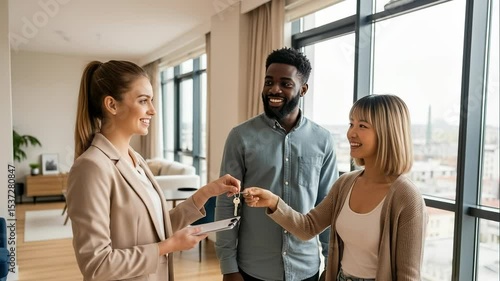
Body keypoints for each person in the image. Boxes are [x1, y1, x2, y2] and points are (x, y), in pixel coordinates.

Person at [66, 60, 240, 281]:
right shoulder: (91, 167)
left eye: (152, 100)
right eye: (143, 100)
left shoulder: (135, 159)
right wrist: (167, 246)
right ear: (112, 105)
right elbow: (97, 265)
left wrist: (205, 193)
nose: (153, 110)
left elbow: (156, 226)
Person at [244, 94, 428, 281]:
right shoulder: (345, 183)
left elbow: (408, 276)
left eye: (362, 126)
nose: (351, 133)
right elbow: (307, 227)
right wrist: (274, 202)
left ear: (388, 132)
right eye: (351, 124)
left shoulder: (407, 198)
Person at [215, 47, 339, 281]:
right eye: (269, 82)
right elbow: (226, 204)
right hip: (253, 268)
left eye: (285, 84)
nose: (274, 89)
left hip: (306, 268)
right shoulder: (240, 137)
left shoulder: (323, 140)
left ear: (303, 89)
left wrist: (330, 262)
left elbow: (328, 206)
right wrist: (228, 266)